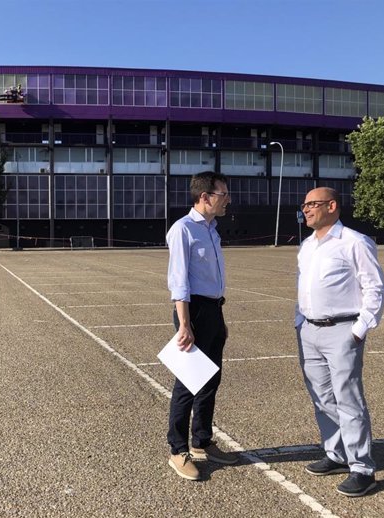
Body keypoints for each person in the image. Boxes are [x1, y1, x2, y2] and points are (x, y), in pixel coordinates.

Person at [295, 187, 384, 497]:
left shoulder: (354, 242)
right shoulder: (307, 245)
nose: (306, 209)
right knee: (321, 397)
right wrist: (300, 321)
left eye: (313, 204)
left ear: (332, 206)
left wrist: (359, 329)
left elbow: (375, 288)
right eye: (305, 204)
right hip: (309, 330)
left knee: (348, 398)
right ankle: (336, 454)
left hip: (342, 330)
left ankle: (362, 467)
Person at [165, 171, 238, 481]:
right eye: (223, 194)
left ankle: (202, 441)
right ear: (205, 196)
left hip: (213, 310)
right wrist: (184, 324)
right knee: (188, 384)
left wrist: (218, 321)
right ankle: (177, 450)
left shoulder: (212, 229)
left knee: (211, 381)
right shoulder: (183, 230)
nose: (228, 200)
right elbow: (178, 280)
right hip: (192, 311)